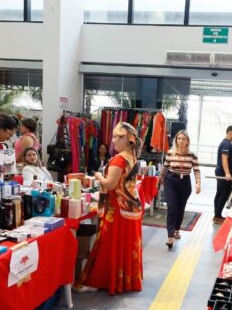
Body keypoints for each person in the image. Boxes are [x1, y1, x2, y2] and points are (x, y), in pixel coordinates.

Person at [75, 122, 143, 294]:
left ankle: (100, 280)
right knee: (125, 245)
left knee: (108, 245)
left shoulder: (119, 159)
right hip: (130, 208)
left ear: (125, 139)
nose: (112, 141)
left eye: (115, 137)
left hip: (116, 209)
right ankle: (123, 280)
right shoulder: (133, 157)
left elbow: (110, 184)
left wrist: (98, 175)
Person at [157, 130, 201, 250]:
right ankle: (170, 236)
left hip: (185, 183)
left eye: (183, 139)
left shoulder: (192, 155)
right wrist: (160, 178)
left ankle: (177, 229)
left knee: (180, 208)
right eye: (179, 138)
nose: (181, 141)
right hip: (170, 181)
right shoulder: (170, 153)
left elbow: (196, 170)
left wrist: (198, 183)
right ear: (176, 140)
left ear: (187, 141)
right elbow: (165, 167)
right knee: (172, 208)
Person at [213, 125, 232, 224]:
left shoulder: (227, 143)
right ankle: (217, 216)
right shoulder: (226, 144)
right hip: (224, 174)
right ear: (229, 133)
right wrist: (227, 173)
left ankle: (217, 214)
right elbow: (224, 159)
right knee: (223, 194)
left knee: (219, 194)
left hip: (221, 172)